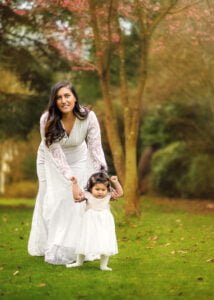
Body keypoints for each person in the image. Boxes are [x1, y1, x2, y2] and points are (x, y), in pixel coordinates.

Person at [28, 81, 108, 265]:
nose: (63, 101)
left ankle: (77, 246)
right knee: (54, 200)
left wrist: (101, 177)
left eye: (67, 96)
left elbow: (95, 148)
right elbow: (55, 153)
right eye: (59, 97)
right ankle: (51, 244)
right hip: (50, 159)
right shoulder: (46, 119)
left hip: (79, 157)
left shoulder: (89, 117)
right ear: (54, 101)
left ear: (75, 98)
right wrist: (72, 180)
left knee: (77, 202)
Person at [66, 171, 123, 271]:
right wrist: (74, 184)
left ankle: (103, 265)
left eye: (103, 189)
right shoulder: (87, 195)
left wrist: (116, 182)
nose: (100, 192)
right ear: (91, 188)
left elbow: (120, 193)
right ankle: (79, 262)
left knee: (105, 240)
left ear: (107, 189)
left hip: (105, 221)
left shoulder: (109, 195)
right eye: (97, 189)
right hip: (90, 221)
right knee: (85, 239)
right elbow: (76, 197)